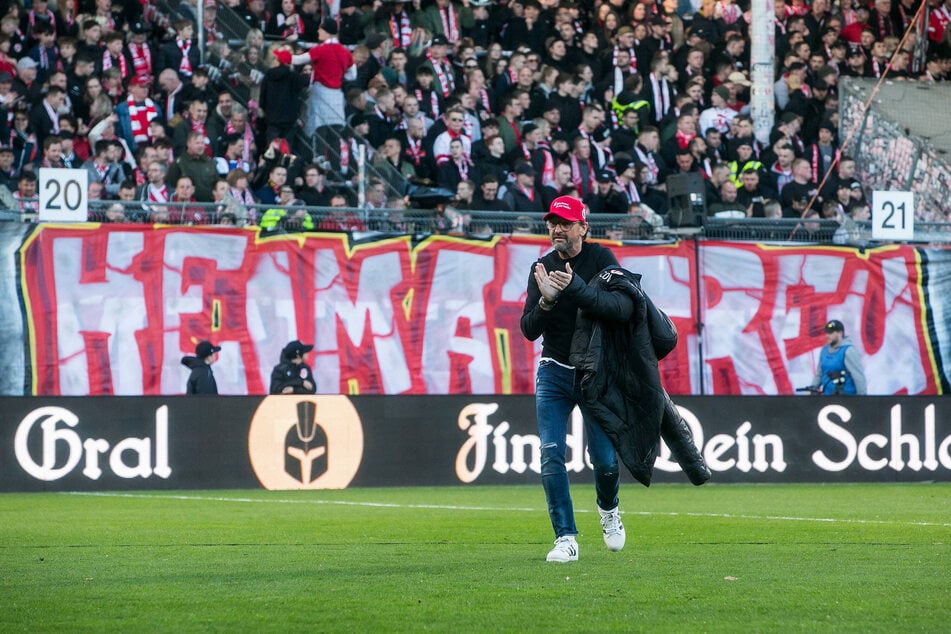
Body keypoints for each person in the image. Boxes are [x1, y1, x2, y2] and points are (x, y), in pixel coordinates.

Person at [519, 195, 625, 563]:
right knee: (551, 455)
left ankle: (609, 510)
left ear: (583, 227)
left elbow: (621, 308)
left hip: (594, 372)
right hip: (553, 370)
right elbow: (528, 330)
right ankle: (566, 538)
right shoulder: (541, 267)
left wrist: (576, 289)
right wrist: (546, 302)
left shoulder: (602, 260)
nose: (556, 229)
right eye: (552, 223)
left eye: (564, 223)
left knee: (606, 461)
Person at [809, 319, 867, 395]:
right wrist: (812, 389)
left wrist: (862, 399)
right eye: (826, 332)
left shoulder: (848, 350)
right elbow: (819, 375)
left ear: (840, 333)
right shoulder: (824, 350)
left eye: (830, 333)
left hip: (847, 399)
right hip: (827, 398)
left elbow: (858, 377)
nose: (827, 335)